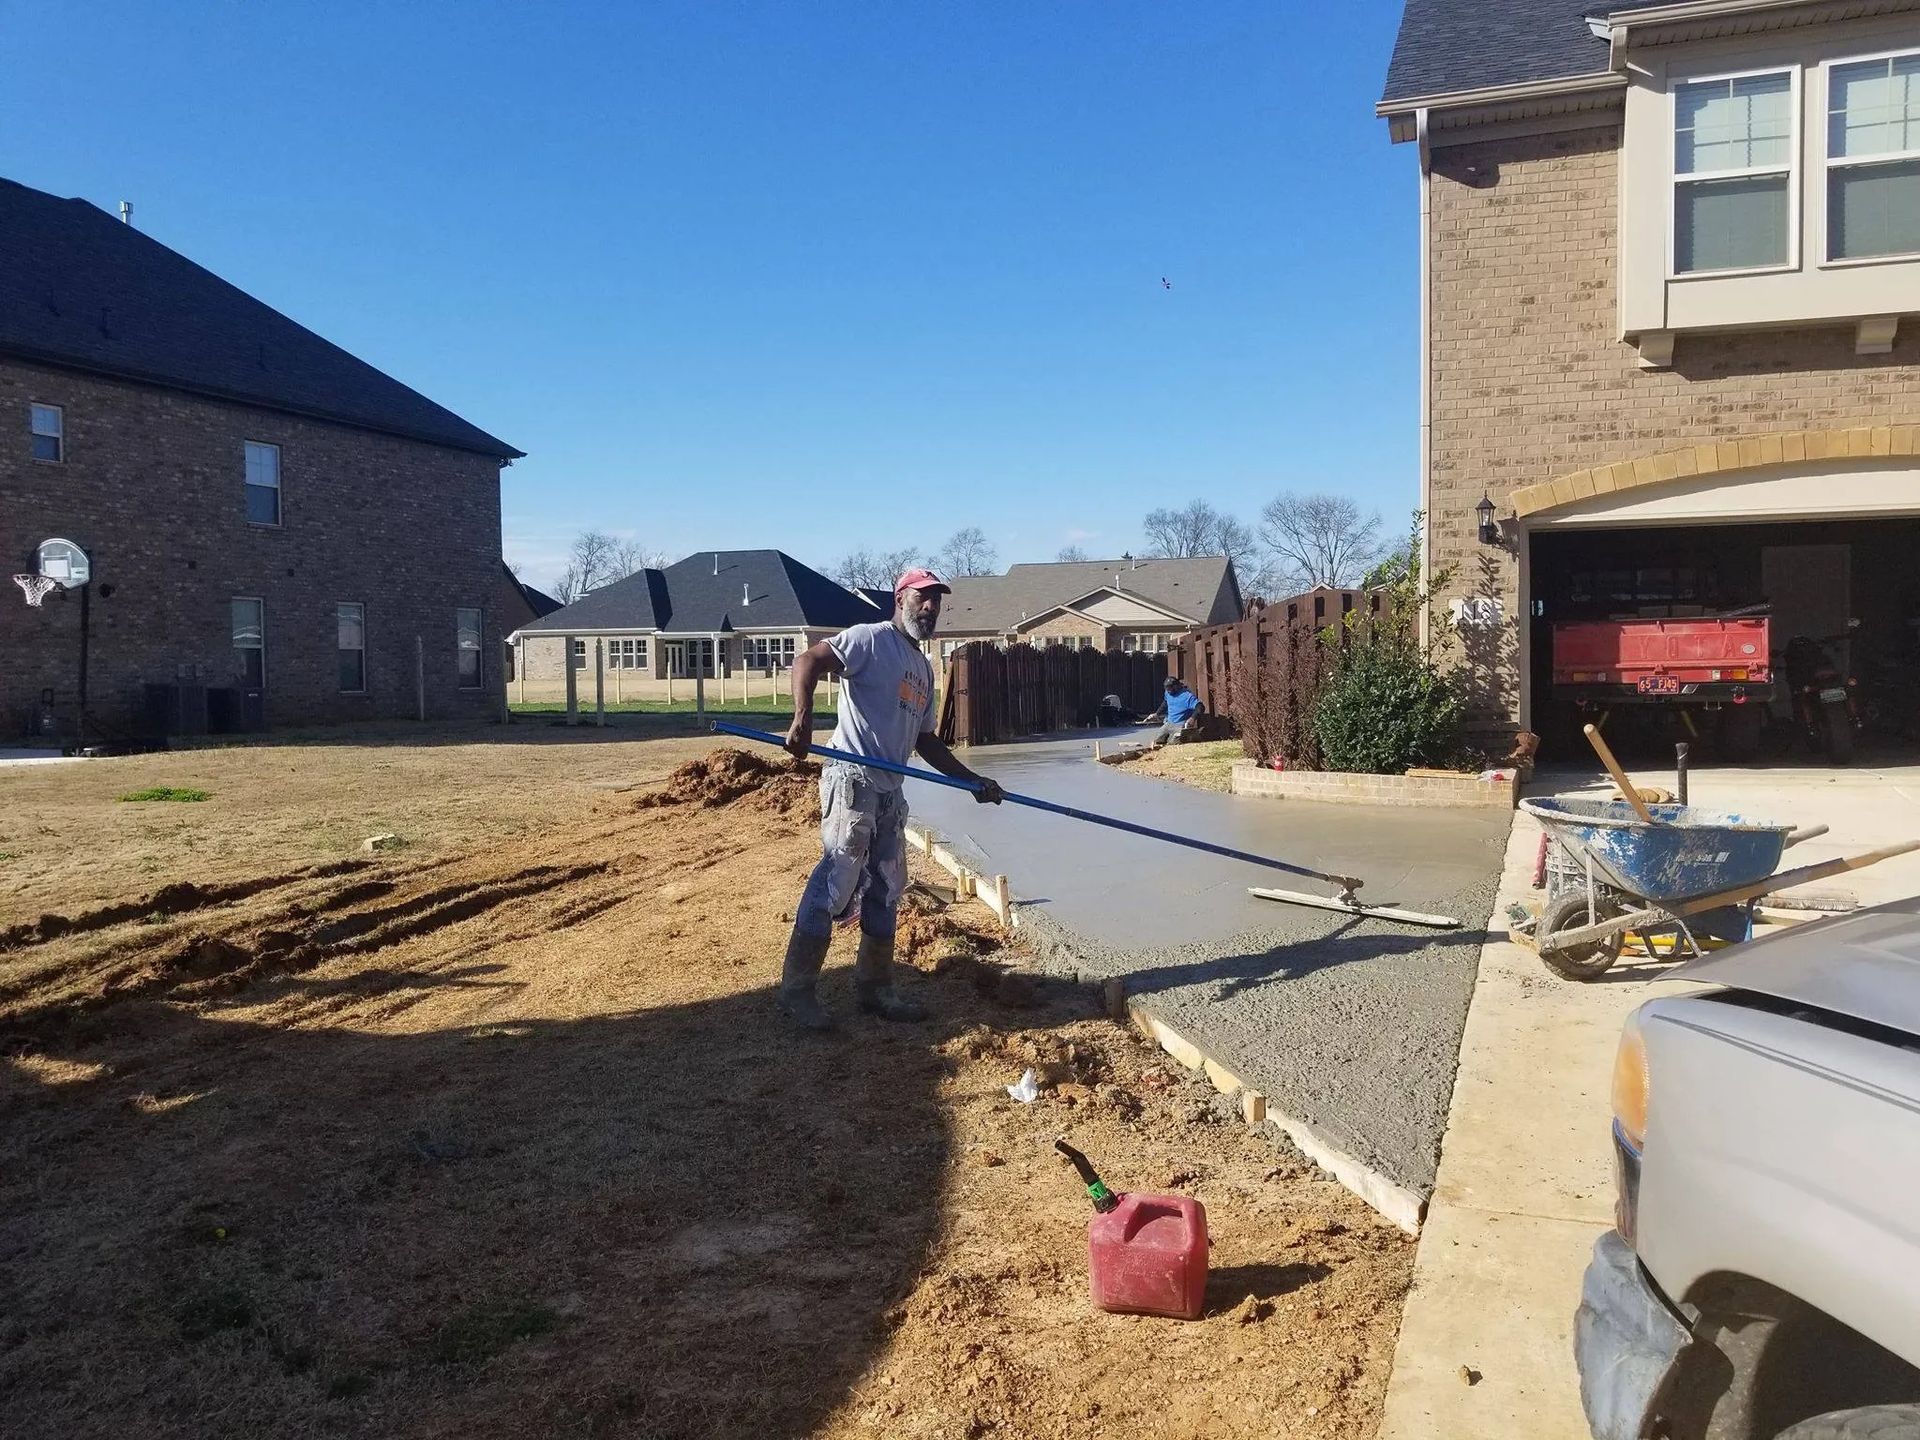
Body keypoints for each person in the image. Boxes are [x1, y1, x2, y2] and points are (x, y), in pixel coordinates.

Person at [777, 568, 1004, 1031]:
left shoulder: (922, 668)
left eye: (937, 602)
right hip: (852, 777)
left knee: (886, 887)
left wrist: (972, 781)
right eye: (923, 598)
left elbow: (927, 742)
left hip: (889, 790)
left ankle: (876, 989)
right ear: (900, 599)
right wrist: (802, 718)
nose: (931, 608)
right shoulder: (870, 639)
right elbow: (808, 661)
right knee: (837, 878)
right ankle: (798, 992)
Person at [1146, 676, 1201, 747]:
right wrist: (1157, 714)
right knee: (1158, 739)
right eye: (1167, 689)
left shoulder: (1187, 696)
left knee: (1173, 742)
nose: (1168, 691)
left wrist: (1192, 718)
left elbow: (1200, 706)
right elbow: (1165, 703)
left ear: (1176, 686)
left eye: (1170, 689)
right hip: (1169, 722)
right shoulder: (1168, 693)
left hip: (1180, 724)